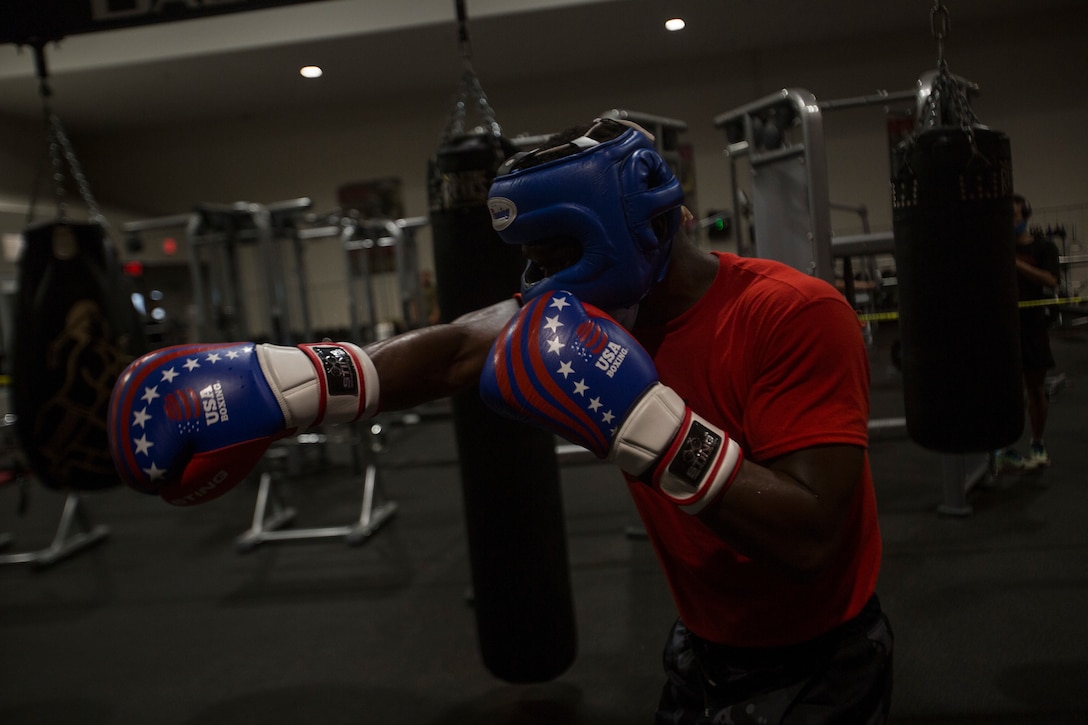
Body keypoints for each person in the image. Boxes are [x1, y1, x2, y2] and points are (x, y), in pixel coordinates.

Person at [108, 118, 892, 723]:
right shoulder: (582, 307)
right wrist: (288, 389)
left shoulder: (792, 314)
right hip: (704, 643)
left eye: (555, 251)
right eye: (530, 255)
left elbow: (813, 538)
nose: (536, 278)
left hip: (819, 658)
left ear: (647, 228)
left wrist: (648, 428)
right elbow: (455, 350)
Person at [994, 194, 1061, 473]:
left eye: (1013, 216)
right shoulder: (996, 247)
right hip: (1002, 327)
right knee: (1005, 393)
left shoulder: (1043, 247)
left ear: (1026, 216)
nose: (1009, 222)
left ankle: (1037, 443)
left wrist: (1014, 263)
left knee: (1034, 388)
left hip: (1032, 327)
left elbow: (1050, 281)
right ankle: (1004, 448)